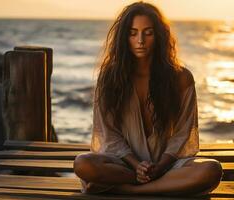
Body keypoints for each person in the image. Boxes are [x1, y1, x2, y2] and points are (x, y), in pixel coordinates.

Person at [73, 1, 223, 195]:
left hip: (167, 166)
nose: (140, 40)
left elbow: (182, 135)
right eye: (133, 33)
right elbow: (108, 133)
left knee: (211, 170)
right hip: (124, 165)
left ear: (159, 36)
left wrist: (159, 167)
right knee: (83, 164)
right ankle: (158, 186)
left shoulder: (181, 78)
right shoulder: (111, 77)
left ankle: (130, 191)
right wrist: (136, 166)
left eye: (148, 33)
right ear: (124, 37)